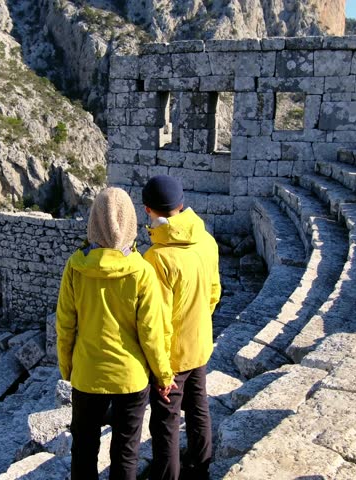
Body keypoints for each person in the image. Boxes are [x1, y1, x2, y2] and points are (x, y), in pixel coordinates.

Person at [56, 187, 176, 480]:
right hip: (130, 379)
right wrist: (163, 376)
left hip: (87, 375)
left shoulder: (75, 267)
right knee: (125, 453)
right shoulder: (141, 271)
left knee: (83, 450)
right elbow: (151, 332)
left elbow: (65, 324)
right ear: (131, 222)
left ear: (93, 221)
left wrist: (67, 367)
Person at [142, 175, 221, 480]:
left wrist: (162, 375)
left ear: (148, 209)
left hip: (172, 359)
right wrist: (196, 323)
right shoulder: (206, 240)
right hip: (200, 345)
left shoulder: (156, 259)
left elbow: (155, 324)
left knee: (166, 424)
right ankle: (201, 468)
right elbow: (214, 292)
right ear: (181, 205)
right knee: (199, 409)